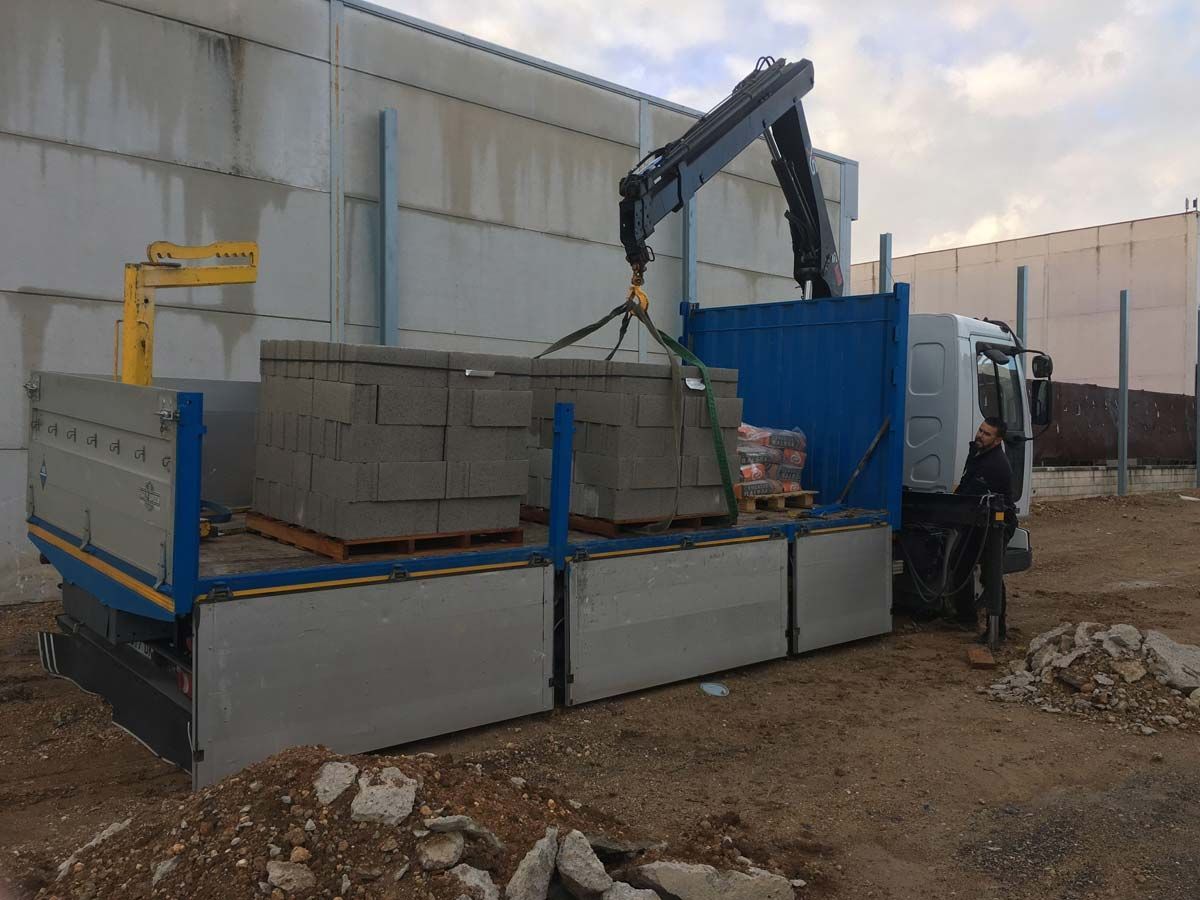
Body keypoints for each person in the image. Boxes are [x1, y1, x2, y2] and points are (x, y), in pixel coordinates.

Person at [954, 416, 1016, 641]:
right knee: (960, 564)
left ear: (998, 440)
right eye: (980, 430)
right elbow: (966, 486)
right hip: (977, 521)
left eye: (986, 433)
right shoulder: (978, 452)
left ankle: (997, 630)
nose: (980, 435)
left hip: (996, 525)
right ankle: (965, 617)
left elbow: (973, 492)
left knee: (991, 575)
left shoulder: (995, 465)